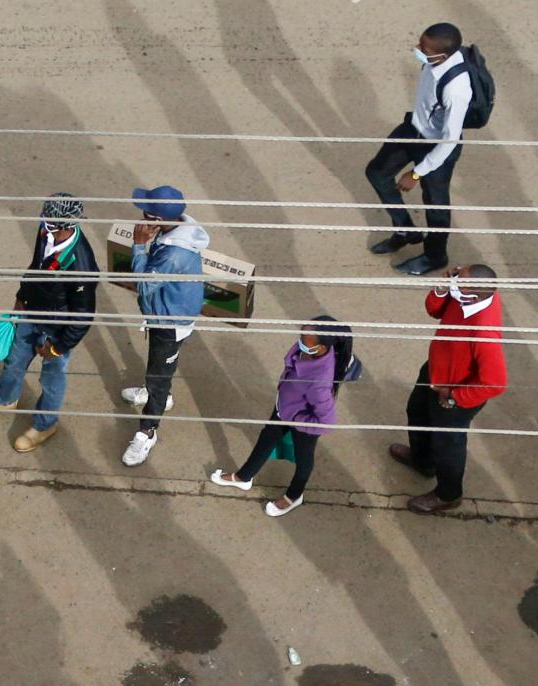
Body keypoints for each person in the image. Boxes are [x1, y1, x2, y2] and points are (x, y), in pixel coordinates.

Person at [0, 193, 97, 454]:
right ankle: (4, 399)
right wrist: (21, 297)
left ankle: (45, 423)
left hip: (57, 329)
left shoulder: (82, 265)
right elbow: (35, 267)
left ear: (65, 226)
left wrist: (59, 346)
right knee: (14, 360)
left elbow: (83, 315)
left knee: (52, 379)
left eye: (48, 221)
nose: (42, 223)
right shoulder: (44, 233)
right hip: (30, 313)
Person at [391, 264, 506, 514]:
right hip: (435, 370)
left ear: (473, 295)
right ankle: (422, 461)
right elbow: (434, 310)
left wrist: (455, 397)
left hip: (454, 393)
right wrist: (443, 287)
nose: (454, 283)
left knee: (448, 444)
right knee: (417, 411)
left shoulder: (484, 334)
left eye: (458, 282)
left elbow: (495, 382)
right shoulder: (464, 295)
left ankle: (448, 495)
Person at [211, 318, 353, 516]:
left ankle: (294, 496)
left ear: (321, 348)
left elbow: (327, 422)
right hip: (283, 409)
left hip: (301, 423)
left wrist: (297, 421)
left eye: (306, 341)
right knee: (265, 440)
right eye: (301, 337)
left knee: (304, 460)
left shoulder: (319, 382)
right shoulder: (309, 351)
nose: (300, 343)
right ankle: (244, 477)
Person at [365, 24, 474, 274]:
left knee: (435, 204)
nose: (417, 50)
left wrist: (416, 173)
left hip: (436, 146)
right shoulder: (435, 61)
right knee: (377, 173)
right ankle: (406, 231)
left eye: (423, 49)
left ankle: (435, 256)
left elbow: (450, 141)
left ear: (443, 56)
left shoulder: (457, 89)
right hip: (413, 128)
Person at [117, 186, 209, 468]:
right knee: (158, 364)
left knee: (160, 375)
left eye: (145, 212)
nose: (140, 216)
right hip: (163, 312)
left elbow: (144, 285)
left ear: (156, 219)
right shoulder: (175, 229)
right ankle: (154, 388)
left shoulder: (173, 255)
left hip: (170, 322)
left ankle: (147, 430)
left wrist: (138, 246)